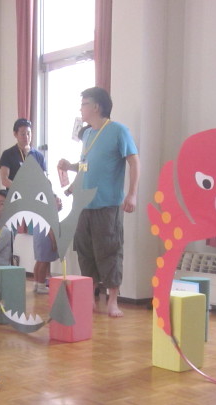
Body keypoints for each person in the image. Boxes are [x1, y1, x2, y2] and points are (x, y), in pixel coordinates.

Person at [57, 87, 140, 317]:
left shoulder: (118, 131)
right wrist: (71, 169)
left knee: (110, 250)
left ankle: (113, 301)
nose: (81, 109)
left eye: (84, 104)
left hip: (107, 204)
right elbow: (87, 165)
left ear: (96, 107)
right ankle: (90, 299)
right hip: (83, 205)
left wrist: (132, 194)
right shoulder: (87, 135)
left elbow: (134, 162)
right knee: (85, 251)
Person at [0, 118, 57, 294]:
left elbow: (44, 179)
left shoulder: (38, 155)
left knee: (45, 233)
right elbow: (4, 180)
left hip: (35, 202)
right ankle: (3, 278)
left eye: (29, 133)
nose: (26, 136)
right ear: (15, 134)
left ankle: (41, 281)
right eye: (22, 133)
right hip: (16, 201)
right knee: (7, 239)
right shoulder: (8, 154)